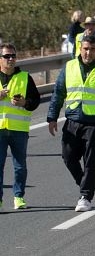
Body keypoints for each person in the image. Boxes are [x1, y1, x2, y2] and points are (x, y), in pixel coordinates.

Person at [48, 35, 95, 212]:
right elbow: (58, 93)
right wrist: (52, 117)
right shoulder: (69, 67)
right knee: (68, 157)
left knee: (90, 161)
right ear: (80, 49)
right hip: (73, 120)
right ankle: (84, 183)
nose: (88, 53)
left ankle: (85, 196)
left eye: (92, 49)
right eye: (85, 49)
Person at [0, 43, 40, 210]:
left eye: (13, 56)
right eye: (7, 56)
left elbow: (35, 101)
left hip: (19, 130)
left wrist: (24, 103)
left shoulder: (25, 77)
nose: (11, 59)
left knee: (20, 166)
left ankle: (18, 196)